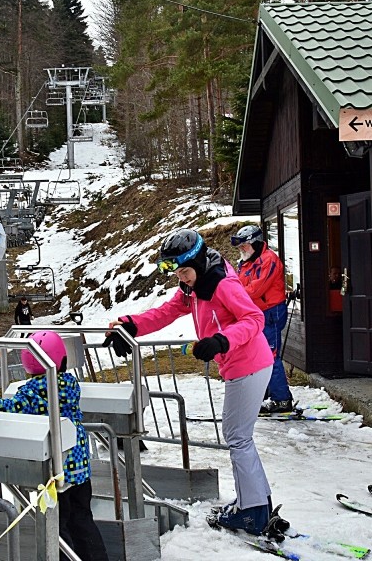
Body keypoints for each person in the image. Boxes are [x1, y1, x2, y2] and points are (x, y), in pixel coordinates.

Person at [103, 228, 285, 537]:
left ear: (198, 264)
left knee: (237, 437)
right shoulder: (193, 286)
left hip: (248, 363)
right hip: (241, 365)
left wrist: (221, 341)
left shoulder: (221, 284)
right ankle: (257, 503)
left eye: (185, 272)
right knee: (240, 437)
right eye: (178, 273)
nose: (182, 278)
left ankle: (252, 512)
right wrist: (132, 325)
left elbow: (254, 319)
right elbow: (167, 312)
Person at [0, 330, 108, 561]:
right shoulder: (70, 383)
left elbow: (8, 407)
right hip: (80, 470)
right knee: (82, 521)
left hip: (55, 474)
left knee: (57, 529)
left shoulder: (33, 392)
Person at [230, 225, 294, 414]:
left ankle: (282, 399)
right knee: (258, 356)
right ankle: (262, 395)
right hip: (255, 313)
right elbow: (238, 284)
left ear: (256, 243)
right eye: (240, 247)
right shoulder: (247, 262)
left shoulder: (269, 260)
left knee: (270, 357)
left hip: (271, 313)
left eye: (245, 246)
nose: (242, 249)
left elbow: (255, 289)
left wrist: (234, 296)